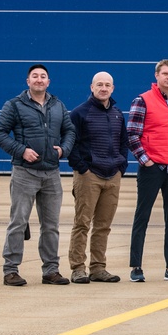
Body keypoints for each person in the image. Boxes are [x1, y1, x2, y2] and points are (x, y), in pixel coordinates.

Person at [0, 64, 76, 287]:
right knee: (18, 222)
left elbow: (70, 131)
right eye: (35, 76)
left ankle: (51, 271)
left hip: (51, 174)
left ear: (49, 82)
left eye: (43, 76)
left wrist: (63, 150)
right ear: (27, 81)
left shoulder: (58, 105)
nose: (39, 80)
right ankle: (11, 270)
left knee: (51, 225)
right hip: (24, 173)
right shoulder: (14, 105)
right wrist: (21, 150)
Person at [126, 59, 168, 282]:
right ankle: (136, 266)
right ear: (157, 75)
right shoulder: (142, 100)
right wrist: (146, 161)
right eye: (165, 73)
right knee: (142, 216)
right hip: (152, 168)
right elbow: (132, 135)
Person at [67, 71, 130, 284]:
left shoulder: (117, 114)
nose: (103, 88)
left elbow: (123, 142)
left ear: (113, 88)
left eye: (107, 85)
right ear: (91, 87)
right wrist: (83, 169)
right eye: (99, 84)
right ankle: (77, 268)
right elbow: (70, 144)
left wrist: (121, 166)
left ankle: (98, 268)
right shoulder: (79, 113)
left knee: (103, 225)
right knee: (82, 223)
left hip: (112, 176)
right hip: (89, 176)